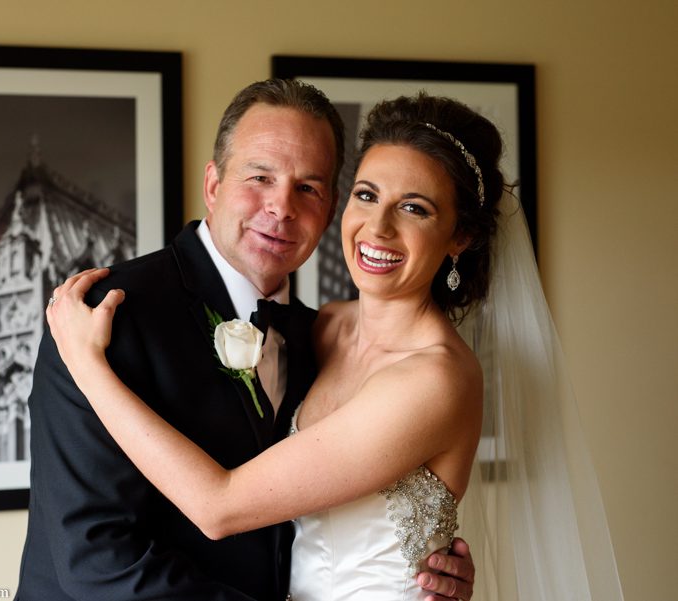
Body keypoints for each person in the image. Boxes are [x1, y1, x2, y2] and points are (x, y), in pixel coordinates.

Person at [46, 92, 624, 601]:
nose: (379, 228)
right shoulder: (312, 329)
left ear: (460, 236)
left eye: (415, 208)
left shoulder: (433, 377)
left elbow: (223, 507)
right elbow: (93, 558)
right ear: (214, 185)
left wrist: (89, 368)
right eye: (368, 195)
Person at [15, 81, 476, 601]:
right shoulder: (101, 320)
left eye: (308, 188)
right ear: (213, 185)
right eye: (260, 177)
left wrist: (413, 563)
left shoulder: (316, 335)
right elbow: (97, 562)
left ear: (329, 210)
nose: (281, 207)